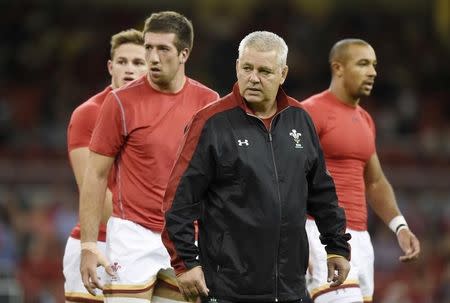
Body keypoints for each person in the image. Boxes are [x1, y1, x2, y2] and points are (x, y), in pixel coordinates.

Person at [161, 31, 352, 303]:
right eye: (247, 68)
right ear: (237, 66)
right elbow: (178, 201)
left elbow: (322, 193)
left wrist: (336, 247)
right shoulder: (210, 123)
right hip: (227, 290)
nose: (253, 78)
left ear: (283, 74)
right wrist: (185, 264)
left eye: (264, 71)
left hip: (290, 289)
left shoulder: (300, 120)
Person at [78, 11, 219, 303]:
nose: (153, 57)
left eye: (163, 49)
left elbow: (218, 177)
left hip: (185, 237)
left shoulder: (209, 103)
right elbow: (95, 174)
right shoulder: (120, 102)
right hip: (132, 235)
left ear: (184, 53)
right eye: (149, 47)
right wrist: (89, 245)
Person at [302, 38, 421, 303]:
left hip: (361, 237)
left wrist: (400, 227)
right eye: (363, 63)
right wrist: (296, 237)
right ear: (338, 67)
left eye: (374, 65)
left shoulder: (365, 119)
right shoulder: (311, 112)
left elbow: (375, 182)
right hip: (322, 233)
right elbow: (288, 176)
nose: (373, 72)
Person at [64, 28, 147, 303]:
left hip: (142, 244)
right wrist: (142, 233)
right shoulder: (89, 113)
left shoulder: (155, 114)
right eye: (122, 62)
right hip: (99, 242)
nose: (129, 69)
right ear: (111, 66)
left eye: (138, 63)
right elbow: (92, 188)